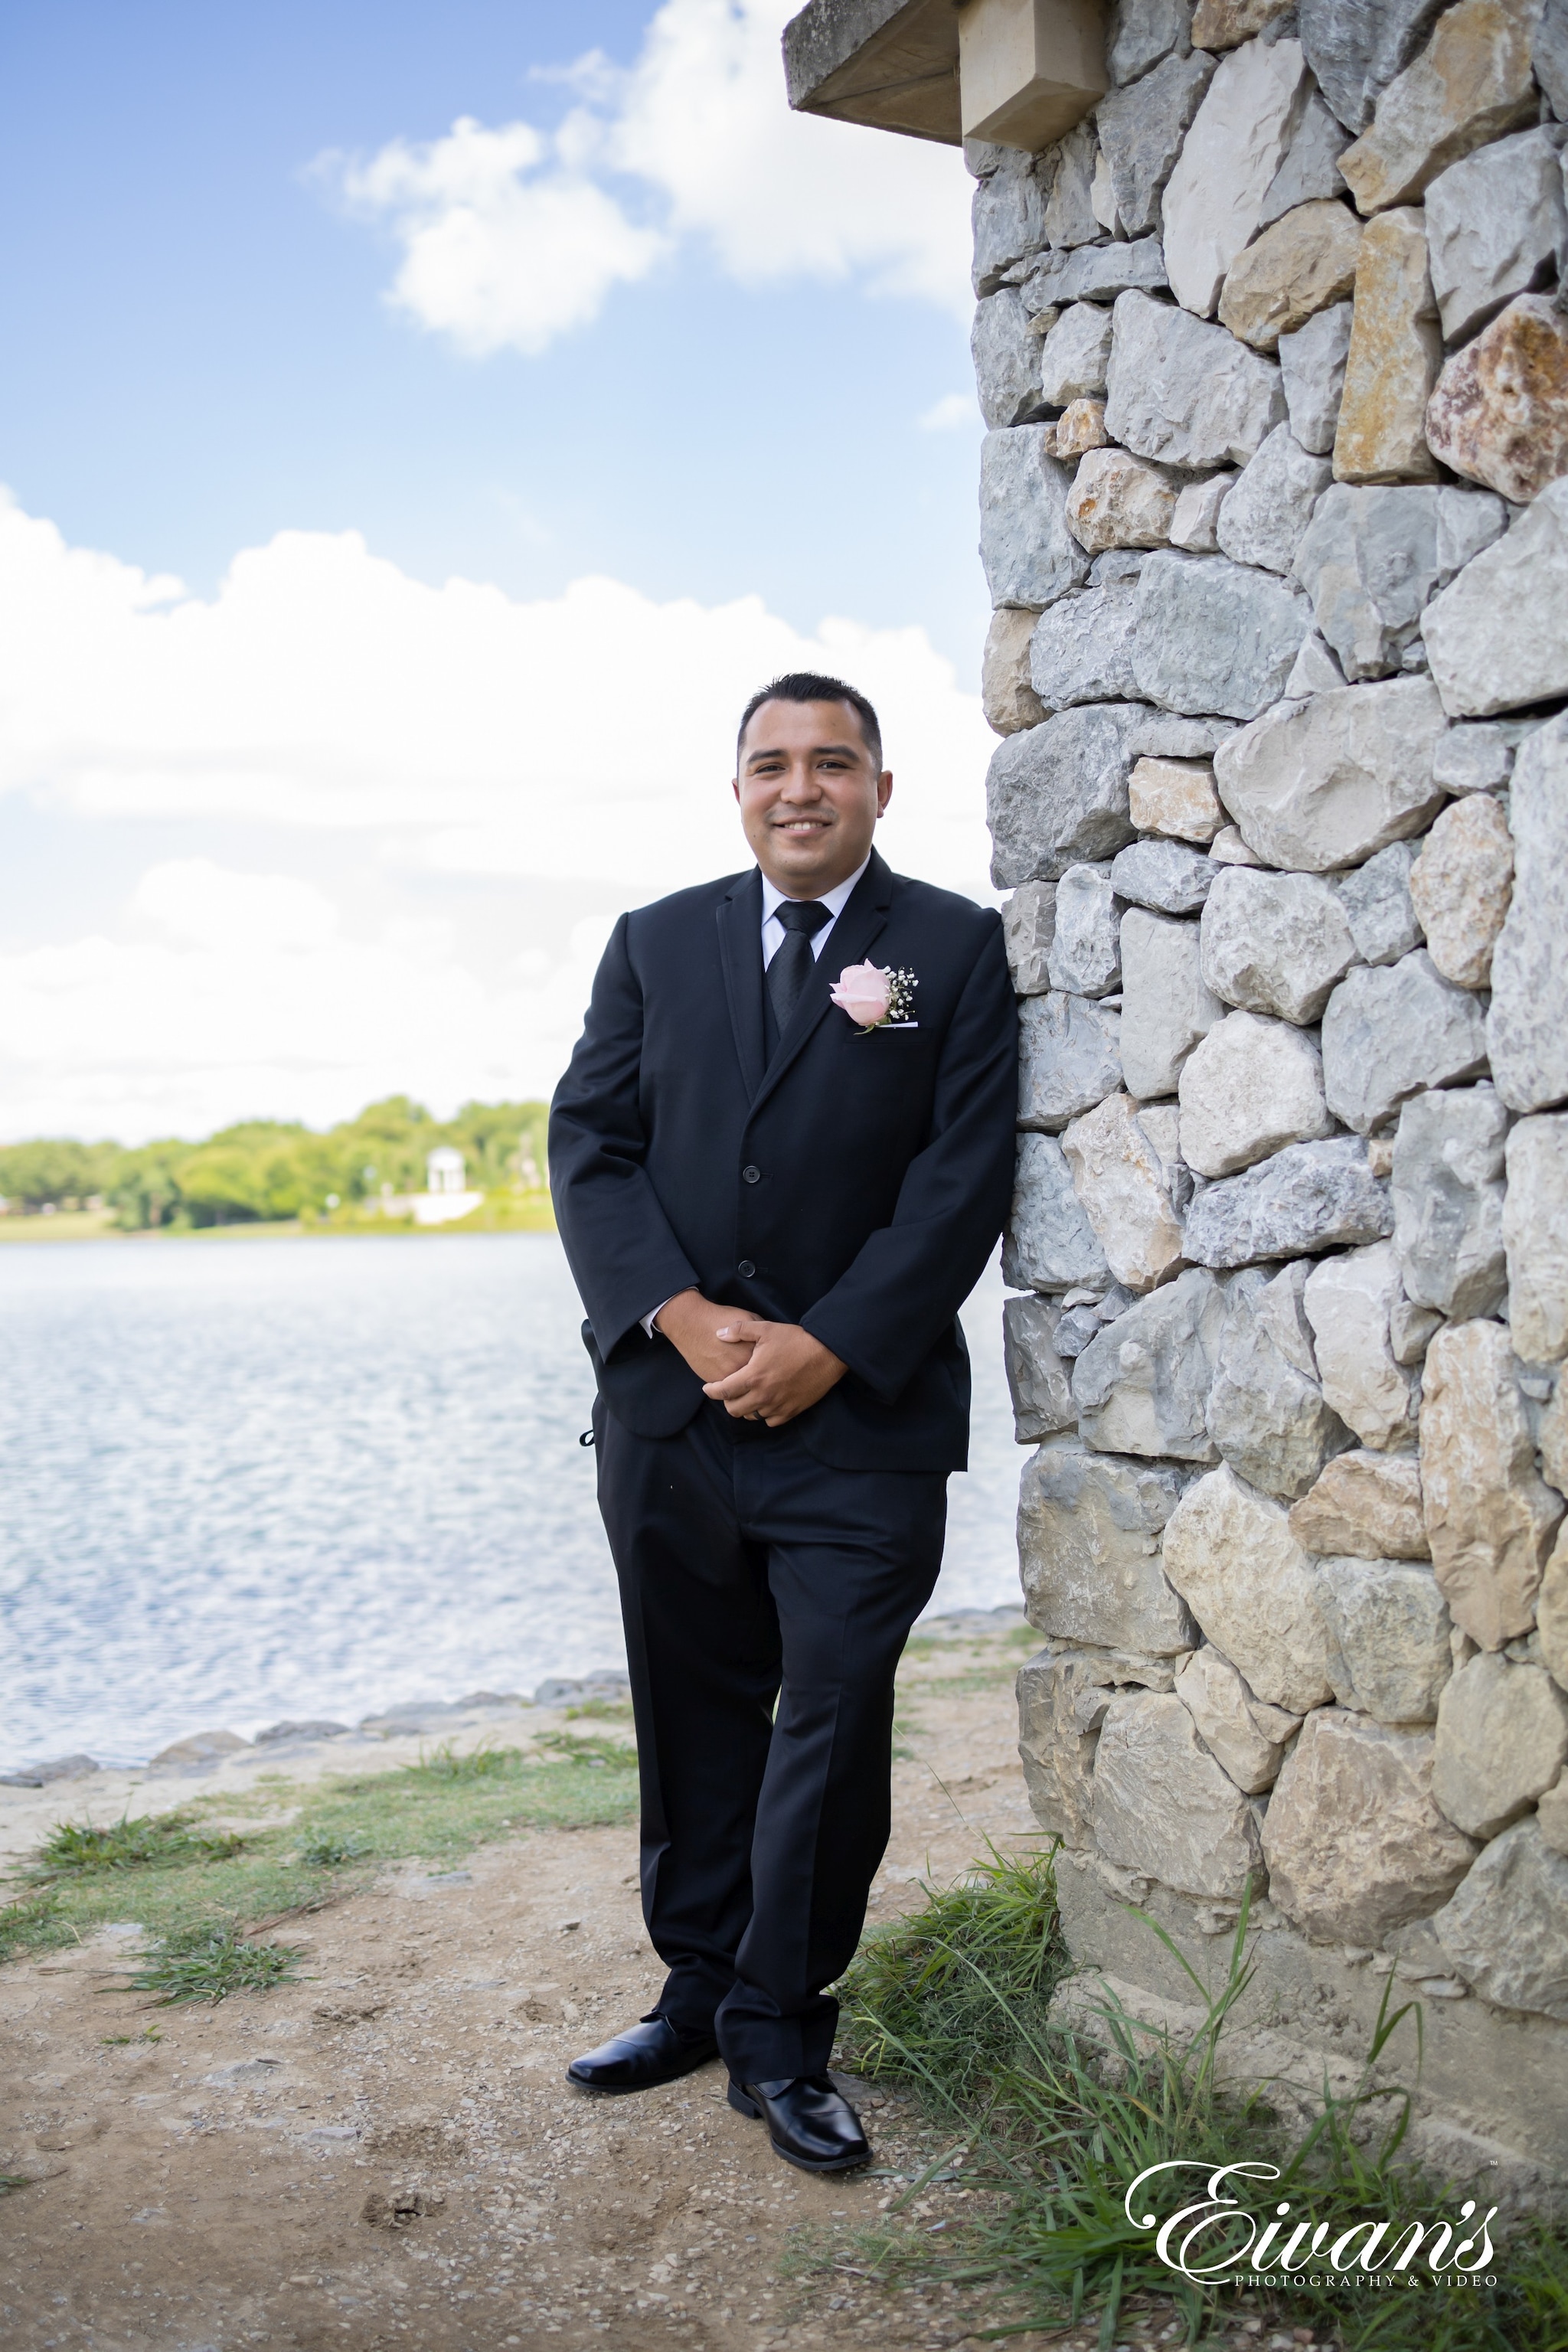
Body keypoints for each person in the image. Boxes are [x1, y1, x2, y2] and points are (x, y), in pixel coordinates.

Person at [548, 671, 1018, 2174]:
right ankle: (694, 1985)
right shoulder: (653, 943)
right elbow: (592, 1148)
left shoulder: (951, 948)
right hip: (669, 1418)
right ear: (736, 789)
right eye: (769, 765)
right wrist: (681, 1324)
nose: (798, 787)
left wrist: (827, 1345)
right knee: (687, 1712)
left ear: (882, 786)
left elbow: (962, 1180)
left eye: (832, 763)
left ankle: (780, 2026)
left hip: (857, 1426)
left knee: (828, 1712)